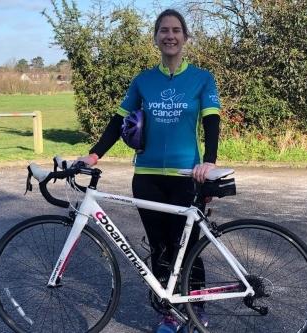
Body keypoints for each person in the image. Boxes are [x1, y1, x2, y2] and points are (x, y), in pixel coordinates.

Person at [77, 8, 221, 333]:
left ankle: (196, 311)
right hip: (147, 178)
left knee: (188, 249)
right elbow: (118, 121)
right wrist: (94, 155)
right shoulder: (143, 80)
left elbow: (212, 121)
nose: (170, 35)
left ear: (185, 37)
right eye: (163, 30)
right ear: (156, 37)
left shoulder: (202, 78)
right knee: (160, 249)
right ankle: (169, 314)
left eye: (176, 30)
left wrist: (208, 160)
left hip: (188, 178)